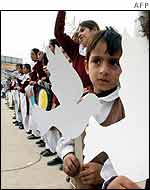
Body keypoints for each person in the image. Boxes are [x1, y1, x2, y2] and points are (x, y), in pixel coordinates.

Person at [56, 27, 125, 189]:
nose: (103, 70)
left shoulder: (125, 109)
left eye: (113, 62)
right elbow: (66, 138)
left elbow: (132, 153)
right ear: (87, 66)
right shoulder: (80, 104)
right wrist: (67, 154)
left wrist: (106, 173)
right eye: (97, 61)